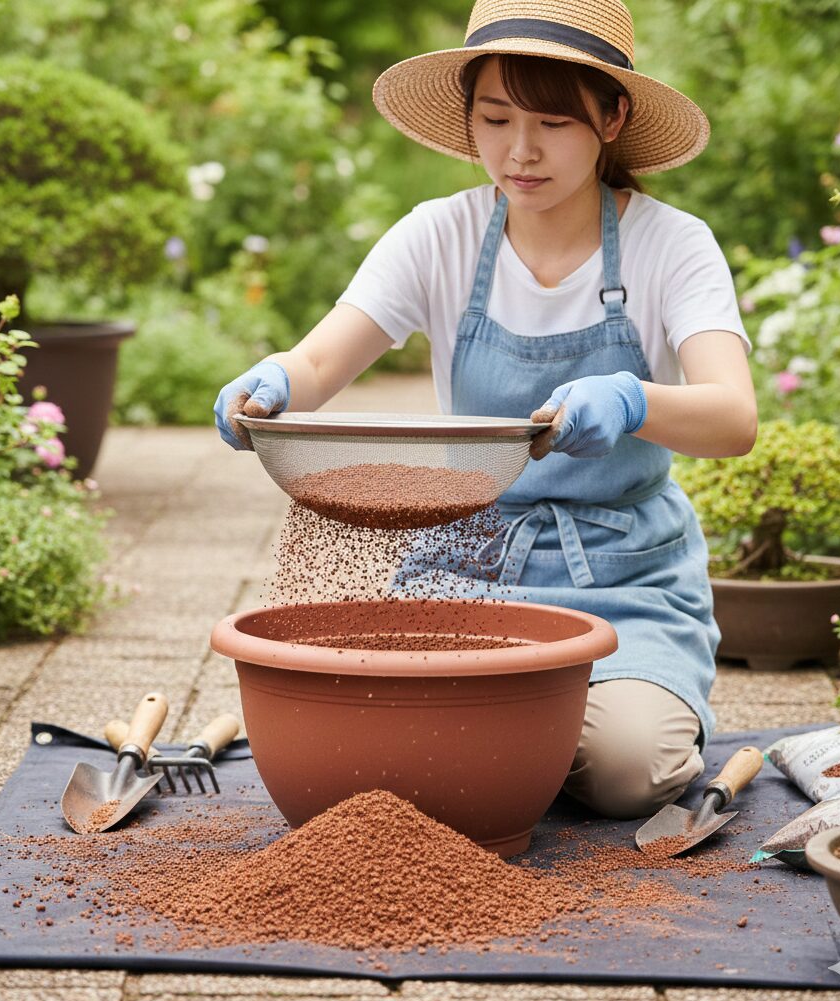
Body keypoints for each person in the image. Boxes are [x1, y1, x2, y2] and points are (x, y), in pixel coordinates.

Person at [213, 0, 756, 820]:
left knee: (626, 769)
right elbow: (321, 360)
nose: (520, 150)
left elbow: (734, 416)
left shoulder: (670, 245)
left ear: (612, 118)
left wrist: (632, 398)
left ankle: (523, 732)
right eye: (495, 118)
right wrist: (272, 384)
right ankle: (508, 741)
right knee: (372, 743)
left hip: (623, 576)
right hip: (461, 562)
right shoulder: (439, 235)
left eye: (552, 122)